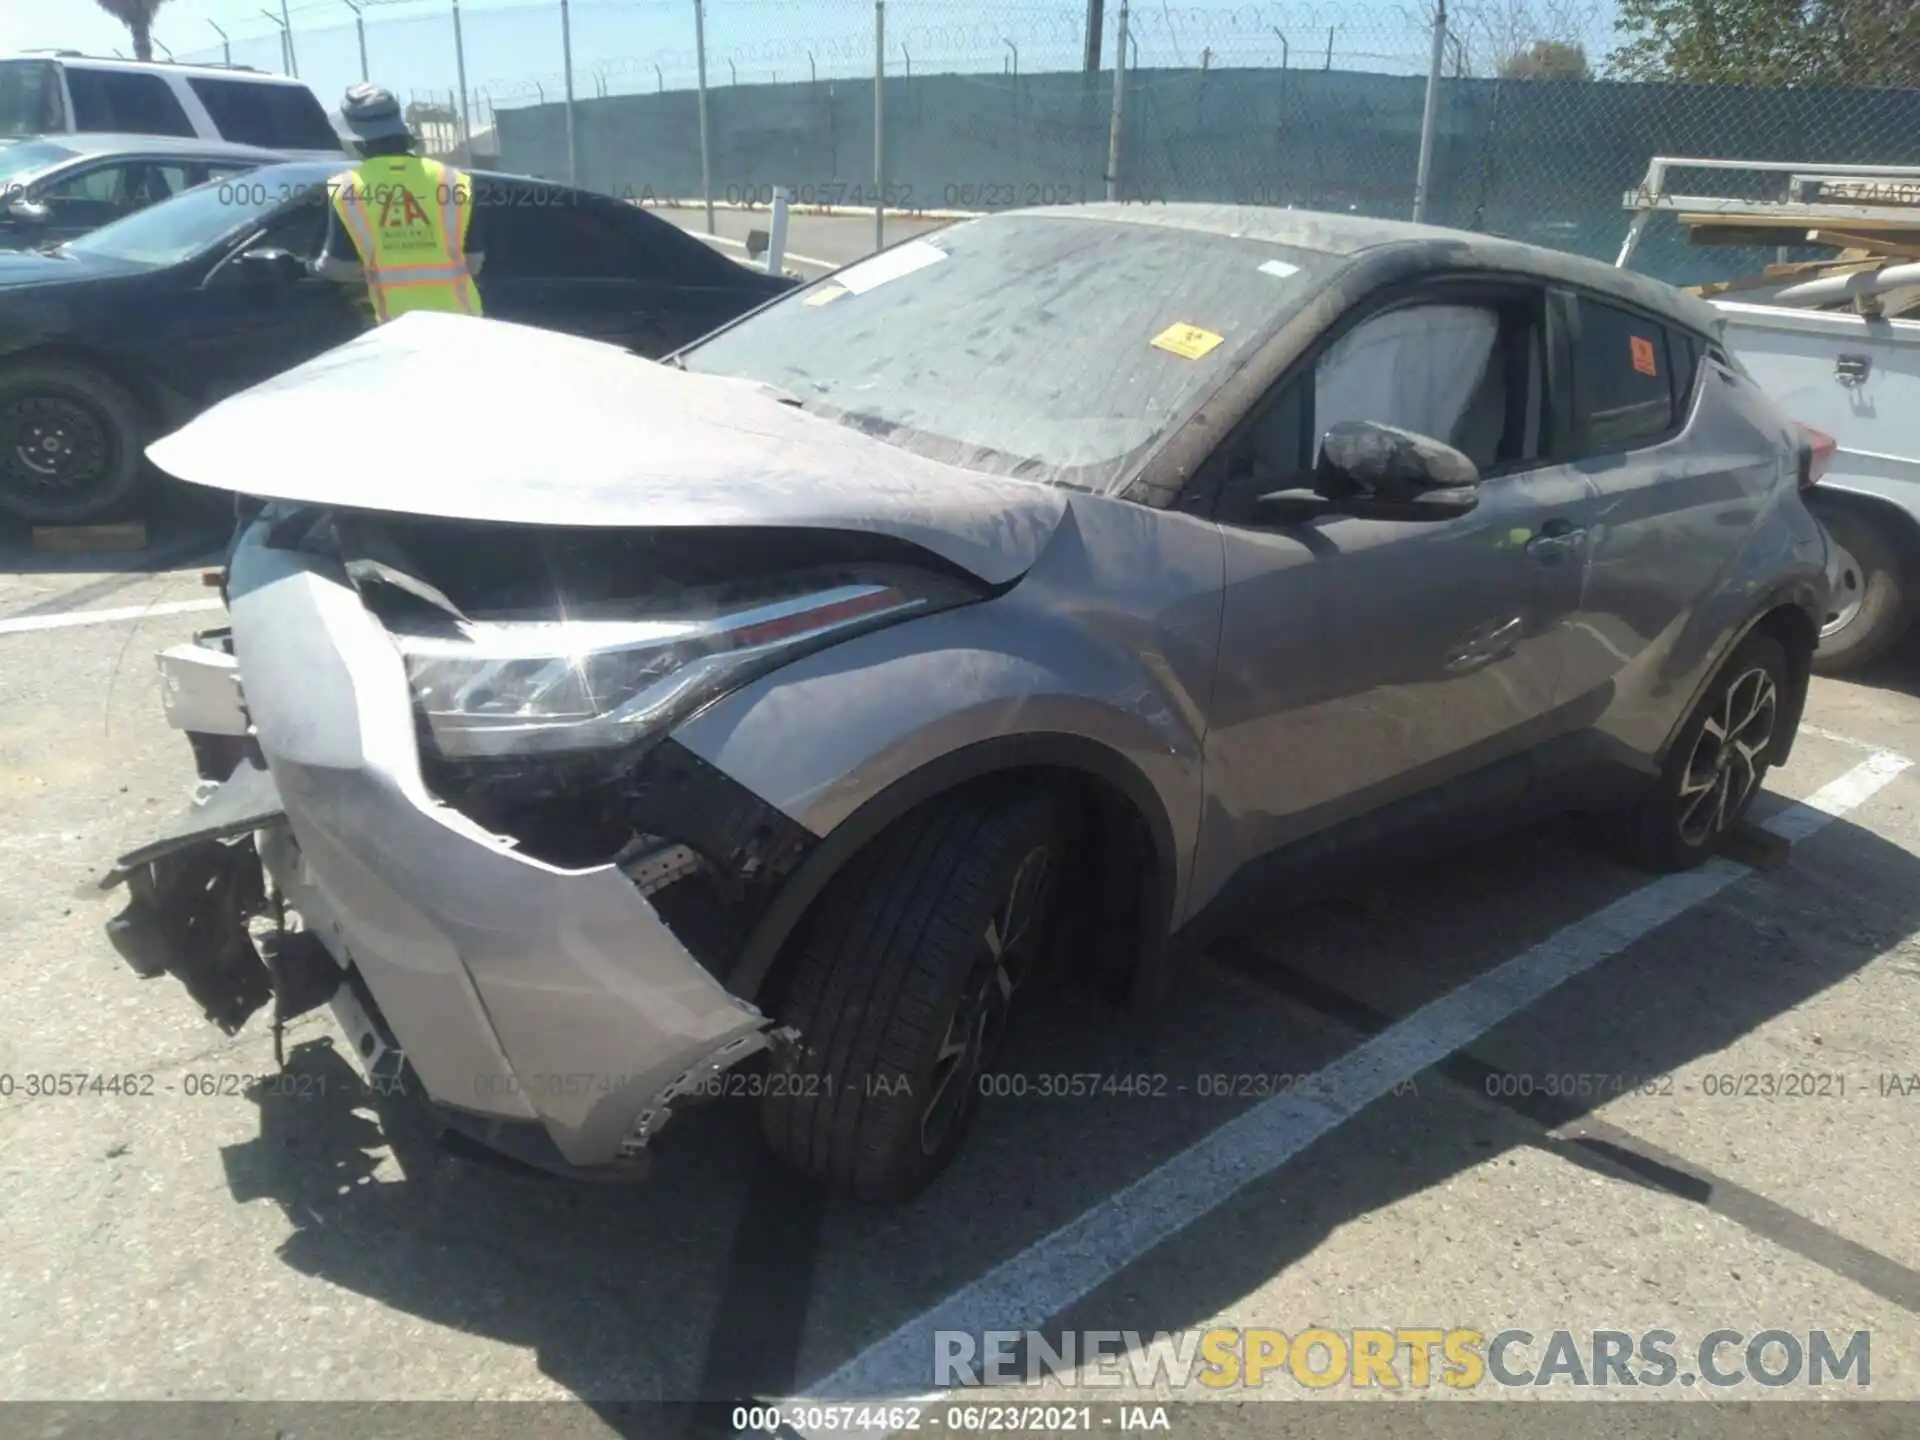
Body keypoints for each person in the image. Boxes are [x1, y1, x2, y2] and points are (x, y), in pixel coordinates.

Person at [312, 82, 486, 323]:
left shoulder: (347, 189)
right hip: (462, 323)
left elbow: (339, 268)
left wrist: (310, 267)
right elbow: (474, 262)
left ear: (356, 139)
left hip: (397, 330)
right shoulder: (453, 181)